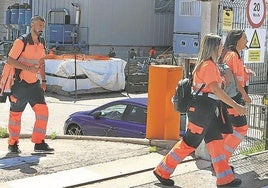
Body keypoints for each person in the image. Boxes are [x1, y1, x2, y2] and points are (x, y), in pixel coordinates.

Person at [153, 34, 247, 187]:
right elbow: (216, 91)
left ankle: (225, 179)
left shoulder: (208, 64)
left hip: (206, 111)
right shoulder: (208, 66)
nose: (222, 47)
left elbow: (214, 89)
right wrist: (236, 106)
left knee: (216, 142)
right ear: (214, 47)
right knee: (189, 143)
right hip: (202, 111)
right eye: (220, 45)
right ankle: (162, 171)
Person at [6, 15, 54, 153]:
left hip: (34, 85)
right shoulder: (21, 41)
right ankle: (13, 144)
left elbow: (41, 62)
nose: (41, 29)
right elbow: (10, 60)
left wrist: (44, 80)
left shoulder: (41, 42)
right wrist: (27, 68)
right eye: (39, 26)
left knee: (43, 112)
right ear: (32, 24)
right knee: (15, 116)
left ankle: (39, 142)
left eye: (43, 27)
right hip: (20, 85)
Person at [218, 30, 251, 166]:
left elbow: (235, 74)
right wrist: (245, 95)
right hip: (234, 98)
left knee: (229, 129)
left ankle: (219, 159)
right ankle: (222, 160)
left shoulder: (230, 55)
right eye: (245, 38)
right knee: (241, 128)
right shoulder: (233, 56)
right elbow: (237, 81)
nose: (247, 41)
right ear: (237, 40)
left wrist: (247, 71)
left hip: (230, 98)